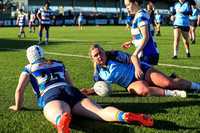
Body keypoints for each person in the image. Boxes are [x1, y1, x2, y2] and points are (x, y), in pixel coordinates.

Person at [9, 45, 154, 133]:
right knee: (100, 112)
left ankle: (61, 120)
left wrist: (18, 106)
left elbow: (19, 90)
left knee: (57, 114)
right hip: (70, 91)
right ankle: (121, 115)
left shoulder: (29, 68)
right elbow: (71, 84)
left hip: (51, 93)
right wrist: (75, 97)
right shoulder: (58, 63)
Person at [81, 44, 200, 97]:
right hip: (130, 83)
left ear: (103, 51)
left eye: (100, 52)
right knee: (143, 91)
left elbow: (133, 57)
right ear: (93, 58)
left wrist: (137, 69)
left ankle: (196, 86)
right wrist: (89, 91)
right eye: (96, 55)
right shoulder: (98, 72)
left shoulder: (114, 55)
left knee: (168, 83)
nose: (99, 56)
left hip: (140, 70)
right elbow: (98, 86)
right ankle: (175, 93)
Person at [121, 0, 159, 65]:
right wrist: (132, 42)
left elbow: (146, 37)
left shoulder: (140, 16)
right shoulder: (141, 14)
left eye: (128, 5)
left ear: (135, 3)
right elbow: (143, 36)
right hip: (148, 52)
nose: (127, 8)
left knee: (141, 74)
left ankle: (171, 76)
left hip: (146, 53)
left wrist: (135, 54)